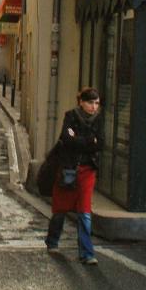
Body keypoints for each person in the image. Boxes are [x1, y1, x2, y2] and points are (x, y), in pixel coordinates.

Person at [45, 87, 103, 265]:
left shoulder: (98, 120)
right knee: (60, 210)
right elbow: (67, 139)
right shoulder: (70, 116)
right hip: (68, 169)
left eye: (97, 103)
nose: (94, 107)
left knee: (85, 212)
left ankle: (87, 253)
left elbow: (100, 143)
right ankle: (52, 240)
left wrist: (81, 141)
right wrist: (88, 141)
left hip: (87, 170)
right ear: (82, 102)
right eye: (91, 103)